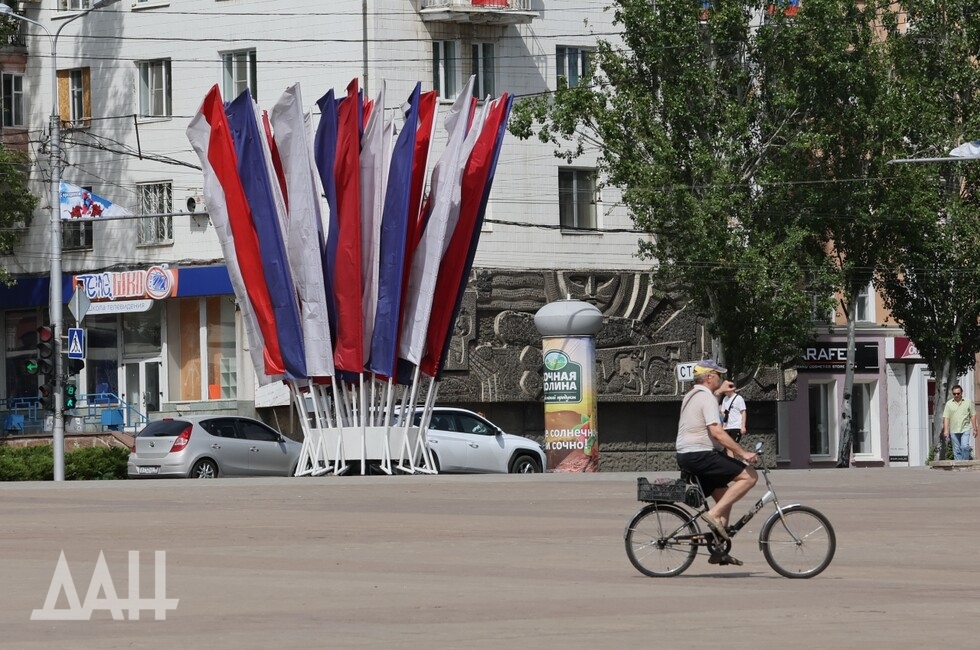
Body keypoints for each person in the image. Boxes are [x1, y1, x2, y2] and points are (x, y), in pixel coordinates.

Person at [676, 359, 758, 566]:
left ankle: (719, 549)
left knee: (725, 498)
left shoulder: (693, 395)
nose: (721, 379)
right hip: (700, 454)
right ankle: (712, 515)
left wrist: (720, 391)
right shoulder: (707, 399)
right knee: (750, 476)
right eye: (718, 375)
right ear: (710, 377)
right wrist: (743, 453)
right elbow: (716, 432)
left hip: (688, 455)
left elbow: (710, 400)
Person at [942, 384, 977, 461]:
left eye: (958, 393)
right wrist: (946, 430)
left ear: (961, 393)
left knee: (964, 446)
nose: (956, 395)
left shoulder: (968, 402)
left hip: (965, 428)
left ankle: (965, 463)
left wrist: (975, 429)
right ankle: (958, 466)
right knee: (957, 449)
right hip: (954, 430)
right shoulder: (949, 404)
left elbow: (973, 415)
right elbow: (946, 417)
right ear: (952, 393)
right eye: (954, 394)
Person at [720, 382, 747, 456]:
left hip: (736, 426)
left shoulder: (738, 398)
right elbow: (722, 411)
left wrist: (743, 426)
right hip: (727, 426)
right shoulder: (725, 399)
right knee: (728, 447)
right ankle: (732, 463)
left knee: (734, 446)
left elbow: (743, 412)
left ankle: (740, 462)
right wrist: (725, 415)